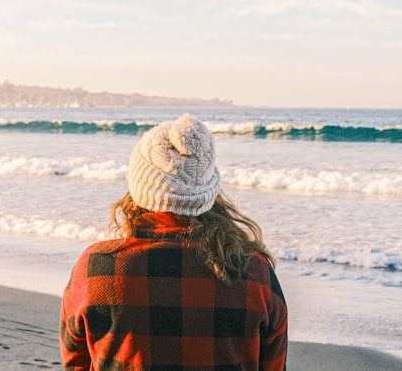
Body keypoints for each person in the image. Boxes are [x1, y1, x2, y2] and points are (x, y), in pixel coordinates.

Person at [60, 113, 288, 370]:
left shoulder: (96, 269)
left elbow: (75, 364)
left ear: (138, 187)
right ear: (207, 190)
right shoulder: (255, 273)